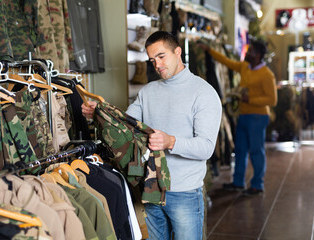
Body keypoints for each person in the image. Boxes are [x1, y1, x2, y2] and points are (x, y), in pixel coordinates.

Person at [82, 31, 222, 240]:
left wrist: (170, 141)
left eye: (161, 56)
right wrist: (98, 115)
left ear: (177, 52)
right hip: (151, 188)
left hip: (184, 192)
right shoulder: (147, 92)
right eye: (152, 60)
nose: (157, 65)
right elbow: (125, 125)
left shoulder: (203, 93)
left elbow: (206, 147)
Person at [198, 39, 277, 196]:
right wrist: (209, 50)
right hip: (244, 115)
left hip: (258, 117)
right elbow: (227, 62)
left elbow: (272, 100)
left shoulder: (267, 75)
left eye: (251, 50)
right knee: (240, 150)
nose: (247, 52)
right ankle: (238, 182)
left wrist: (250, 100)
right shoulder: (244, 67)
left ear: (258, 55)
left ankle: (257, 184)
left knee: (256, 151)